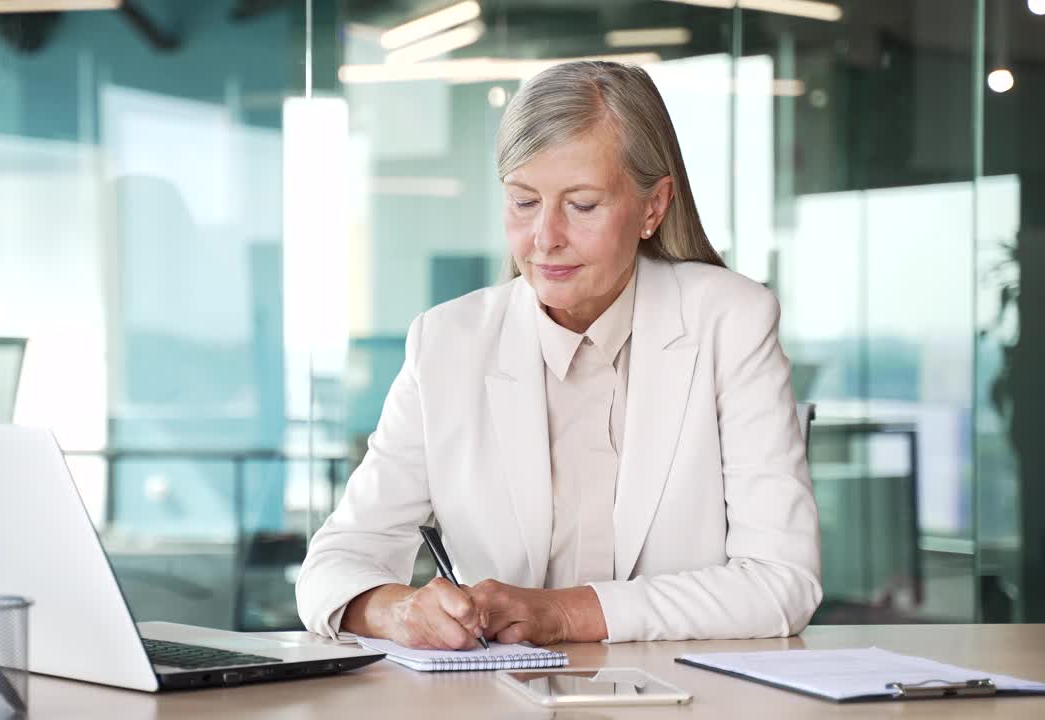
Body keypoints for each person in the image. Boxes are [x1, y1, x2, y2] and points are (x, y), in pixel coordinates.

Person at [296, 61, 821, 649]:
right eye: (524, 202)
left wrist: (565, 615)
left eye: (583, 205)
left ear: (653, 207)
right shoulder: (446, 342)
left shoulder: (732, 321)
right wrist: (399, 611)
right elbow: (334, 565)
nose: (545, 238)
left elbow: (781, 582)